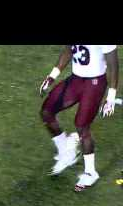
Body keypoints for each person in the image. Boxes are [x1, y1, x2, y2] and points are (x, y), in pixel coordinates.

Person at [39, 45, 119, 192]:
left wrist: (111, 96)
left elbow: (113, 64)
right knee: (47, 111)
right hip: (76, 80)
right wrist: (52, 75)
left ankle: (90, 172)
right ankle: (66, 152)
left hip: (95, 83)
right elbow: (69, 49)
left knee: (82, 125)